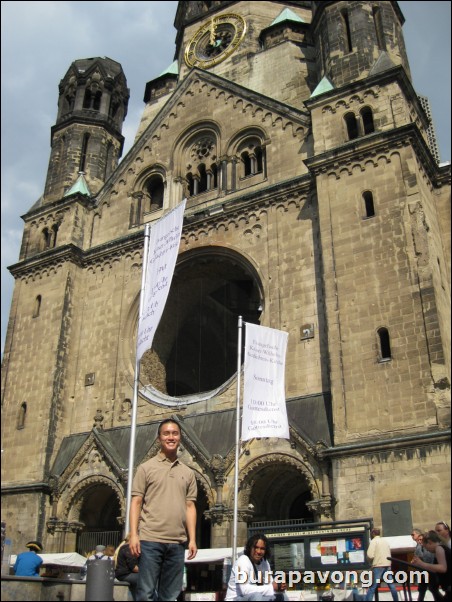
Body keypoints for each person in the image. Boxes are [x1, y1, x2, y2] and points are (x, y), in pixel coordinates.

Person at [129, 418, 197, 601]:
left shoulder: (188, 472)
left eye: (175, 433)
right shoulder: (145, 468)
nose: (171, 437)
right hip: (151, 539)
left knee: (170, 596)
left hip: (177, 542)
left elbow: (190, 506)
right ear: (159, 438)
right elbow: (136, 502)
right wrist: (134, 535)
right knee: (146, 594)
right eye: (166, 433)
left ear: (180, 437)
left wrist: (192, 539)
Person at [225, 533, 288, 601]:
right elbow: (245, 590)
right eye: (256, 547)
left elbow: (269, 584)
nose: (258, 551)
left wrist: (279, 587)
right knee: (257, 596)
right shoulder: (243, 561)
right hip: (236, 599)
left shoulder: (265, 563)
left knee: (282, 596)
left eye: (262, 548)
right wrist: (272, 587)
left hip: (255, 598)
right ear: (250, 548)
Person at [412, 531, 451, 600]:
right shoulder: (441, 548)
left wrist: (422, 564)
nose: (427, 549)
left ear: (429, 542)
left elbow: (443, 568)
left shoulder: (439, 548)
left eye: (425, 546)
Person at [364, 528, 398, 601]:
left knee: (373, 586)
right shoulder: (385, 541)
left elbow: (370, 555)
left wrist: (369, 561)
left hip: (378, 565)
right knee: (391, 585)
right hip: (387, 564)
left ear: (373, 534)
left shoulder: (373, 541)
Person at [411, 529, 441, 602]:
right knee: (422, 590)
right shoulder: (419, 546)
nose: (420, 541)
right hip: (423, 572)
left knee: (433, 590)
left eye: (413, 534)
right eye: (419, 540)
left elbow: (427, 559)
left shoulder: (427, 548)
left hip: (429, 572)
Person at [115, 535, 139, 601]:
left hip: (124, 574)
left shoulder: (124, 547)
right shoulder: (128, 548)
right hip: (125, 575)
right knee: (145, 579)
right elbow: (133, 567)